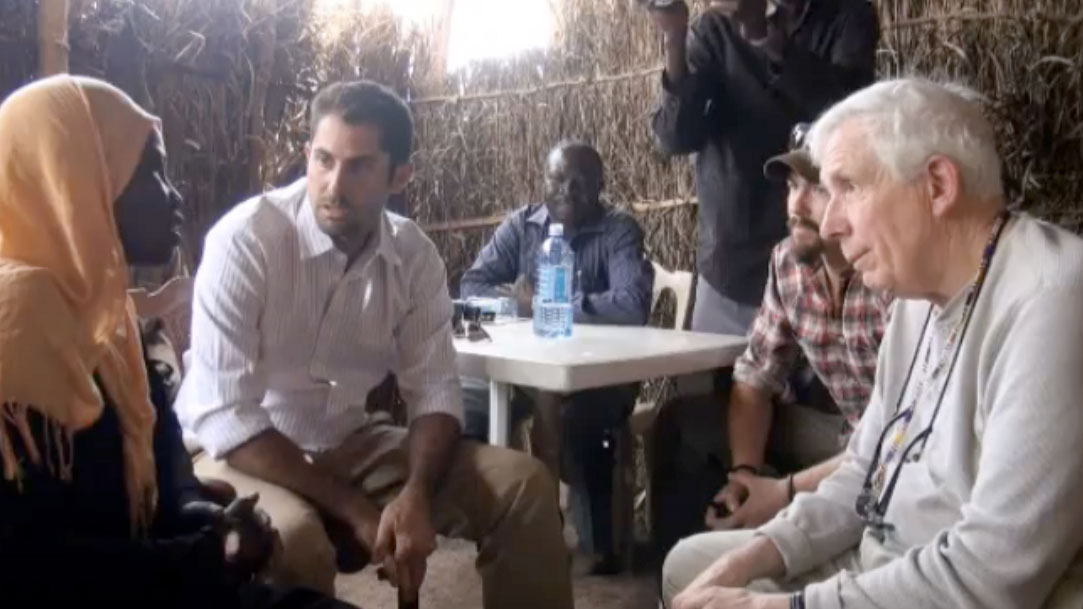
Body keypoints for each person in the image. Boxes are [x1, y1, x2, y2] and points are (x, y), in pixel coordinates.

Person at [662, 77, 1083, 609]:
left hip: (964, 586)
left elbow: (993, 574)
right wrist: (752, 557)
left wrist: (782, 606)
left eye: (848, 188)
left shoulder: (1054, 298)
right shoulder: (915, 300)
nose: (831, 222)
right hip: (885, 552)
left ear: (937, 186)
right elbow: (865, 471)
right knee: (691, 569)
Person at [176, 80, 573, 609]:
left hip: (349, 439)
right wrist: (356, 509)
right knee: (296, 544)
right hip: (237, 451)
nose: (333, 185)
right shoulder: (246, 242)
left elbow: (434, 391)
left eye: (359, 166)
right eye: (323, 160)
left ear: (399, 176)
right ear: (307, 156)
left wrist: (415, 491)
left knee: (524, 486)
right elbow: (227, 416)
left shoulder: (414, 257)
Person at [0, 75, 355, 609]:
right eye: (151, 174)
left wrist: (194, 510)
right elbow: (29, 564)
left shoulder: (102, 313)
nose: (174, 196)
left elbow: (161, 453)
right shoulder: (19, 323)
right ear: (75, 180)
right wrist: (204, 554)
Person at [459, 140, 654, 573]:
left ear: (600, 187)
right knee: (464, 406)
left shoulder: (619, 230)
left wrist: (557, 304)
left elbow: (632, 305)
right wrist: (518, 305)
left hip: (598, 375)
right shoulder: (523, 226)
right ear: (542, 180)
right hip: (529, 373)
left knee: (585, 420)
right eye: (556, 178)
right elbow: (472, 287)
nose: (567, 189)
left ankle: (598, 541)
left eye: (580, 182)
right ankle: (507, 523)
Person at [646, 0, 879, 335]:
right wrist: (674, 37)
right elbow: (674, 138)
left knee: (811, 386)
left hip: (817, 262)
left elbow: (847, 120)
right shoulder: (714, 29)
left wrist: (761, 36)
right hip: (730, 270)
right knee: (714, 388)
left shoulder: (847, 15)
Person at [704, 123, 892, 533]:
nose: (796, 204)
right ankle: (697, 579)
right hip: (839, 435)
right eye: (792, 185)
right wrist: (745, 474)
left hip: (896, 447)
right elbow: (755, 378)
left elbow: (907, 428)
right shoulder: (788, 263)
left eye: (817, 188)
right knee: (685, 426)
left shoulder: (891, 272)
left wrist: (785, 491)